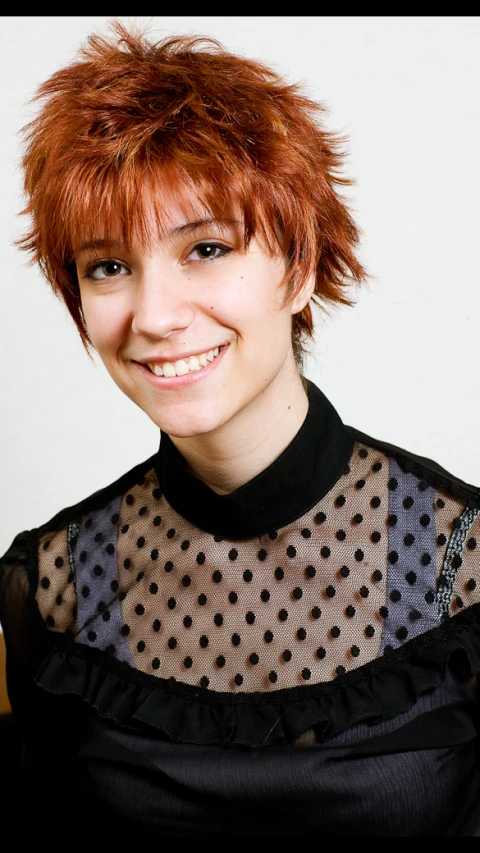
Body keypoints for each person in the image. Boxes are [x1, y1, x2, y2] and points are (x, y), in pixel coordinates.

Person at [1, 21, 479, 838]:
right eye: (108, 265)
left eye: (207, 247)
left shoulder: (461, 556)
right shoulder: (52, 586)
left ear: (296, 268)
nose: (153, 316)